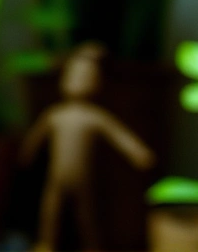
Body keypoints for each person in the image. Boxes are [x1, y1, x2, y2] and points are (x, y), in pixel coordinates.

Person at [18, 42, 155, 251]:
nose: (79, 81)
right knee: (51, 209)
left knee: (87, 215)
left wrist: (138, 153)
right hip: (57, 178)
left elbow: (119, 136)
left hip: (83, 180)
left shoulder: (94, 117)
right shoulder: (56, 115)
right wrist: (24, 155)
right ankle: (46, 243)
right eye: (75, 75)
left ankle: (91, 246)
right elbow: (35, 138)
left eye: (86, 76)